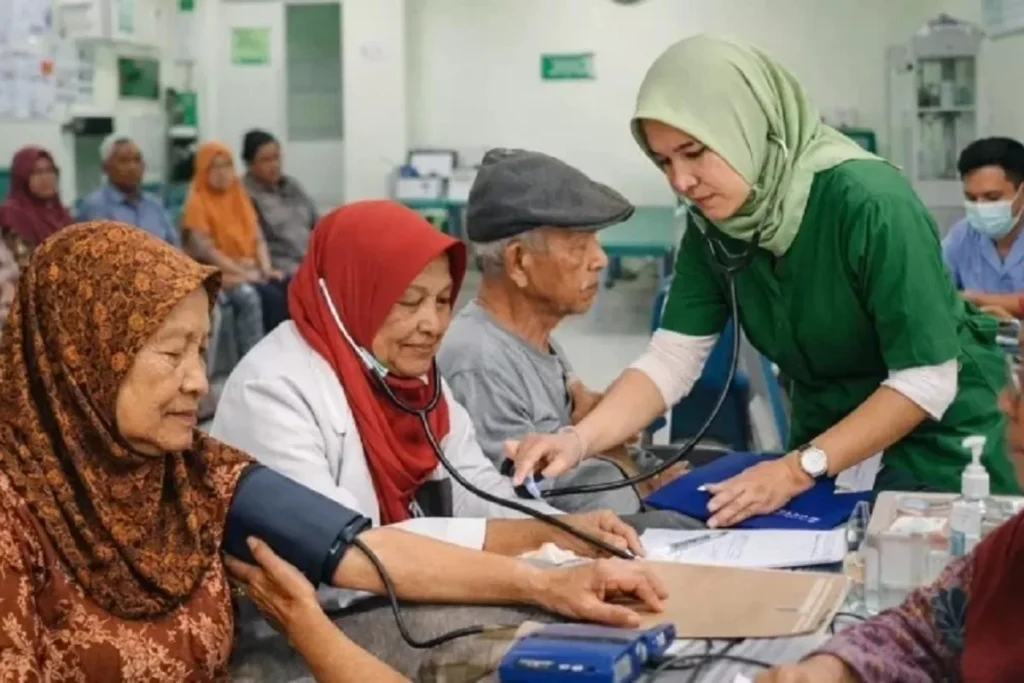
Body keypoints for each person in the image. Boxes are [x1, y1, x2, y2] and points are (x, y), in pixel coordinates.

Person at [0, 220, 669, 681]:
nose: (199, 381)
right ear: (81, 360)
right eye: (171, 354)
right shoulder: (14, 520)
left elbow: (357, 550)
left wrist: (551, 568)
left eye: (200, 351)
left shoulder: (200, 471)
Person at [506, 34, 1020, 531]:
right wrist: (578, 441)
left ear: (750, 128)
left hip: (939, 441)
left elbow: (926, 378)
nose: (681, 181)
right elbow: (671, 359)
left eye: (694, 151)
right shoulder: (715, 225)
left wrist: (796, 470)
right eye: (664, 161)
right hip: (828, 442)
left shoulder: (870, 202)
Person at [212, 200, 645, 581]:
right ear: (350, 294)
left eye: (441, 301)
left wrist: (567, 531)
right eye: (408, 301)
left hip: (403, 586)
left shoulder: (414, 382)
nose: (433, 325)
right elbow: (346, 553)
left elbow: (475, 490)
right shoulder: (273, 390)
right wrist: (535, 555)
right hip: (314, 614)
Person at [755, 330, 1024, 682]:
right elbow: (923, 631)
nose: (1006, 403)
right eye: (1016, 371)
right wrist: (834, 670)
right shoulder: (1010, 549)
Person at [439, 148, 688, 515]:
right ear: (518, 261)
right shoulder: (478, 362)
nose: (600, 259)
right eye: (578, 246)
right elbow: (548, 506)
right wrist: (631, 473)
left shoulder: (538, 341)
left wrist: (624, 452)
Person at [181, 140, 288, 344]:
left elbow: (258, 238)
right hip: (217, 275)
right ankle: (253, 356)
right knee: (253, 296)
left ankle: (282, 352)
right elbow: (209, 253)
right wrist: (245, 274)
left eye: (227, 165)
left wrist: (266, 269)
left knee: (285, 286)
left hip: (250, 269)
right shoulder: (197, 203)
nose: (222, 172)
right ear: (203, 170)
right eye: (214, 167)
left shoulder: (239, 195)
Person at [943, 137, 1024, 320]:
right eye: (971, 198)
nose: (980, 207)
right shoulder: (962, 236)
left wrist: (976, 300)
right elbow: (933, 288)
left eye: (993, 197)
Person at [77, 134, 180, 246]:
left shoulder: (155, 205)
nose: (132, 167)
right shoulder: (95, 207)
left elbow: (175, 247)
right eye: (123, 161)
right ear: (105, 167)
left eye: (137, 160)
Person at [241, 129, 318, 276]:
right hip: (282, 267)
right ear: (250, 163)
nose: (274, 165)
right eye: (266, 160)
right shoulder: (245, 195)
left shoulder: (292, 186)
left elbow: (317, 223)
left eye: (277, 158)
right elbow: (257, 243)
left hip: (311, 259)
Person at [0, 145, 72, 248]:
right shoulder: (12, 214)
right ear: (22, 178)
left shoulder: (60, 213)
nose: (45, 178)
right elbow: (22, 255)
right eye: (37, 172)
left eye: (49, 170)